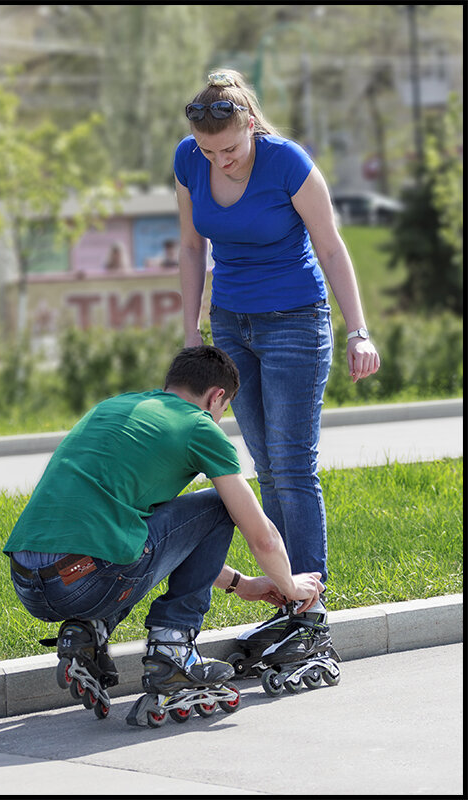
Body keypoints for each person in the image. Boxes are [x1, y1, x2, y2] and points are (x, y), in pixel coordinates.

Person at [3, 345, 324, 723]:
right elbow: (262, 536)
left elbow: (156, 543)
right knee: (222, 505)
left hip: (30, 582)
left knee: (125, 543)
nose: (220, 418)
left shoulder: (114, 408)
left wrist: (241, 584)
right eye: (225, 409)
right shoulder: (199, 426)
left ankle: (88, 630)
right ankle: (173, 649)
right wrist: (290, 585)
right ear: (216, 396)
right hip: (87, 582)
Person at [174, 70, 380, 656]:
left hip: (295, 321)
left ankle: (309, 618)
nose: (221, 160)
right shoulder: (190, 160)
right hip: (232, 324)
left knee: (292, 466)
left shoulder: (287, 162)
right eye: (210, 151)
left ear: (251, 126)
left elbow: (331, 245)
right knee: (265, 464)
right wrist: (192, 329)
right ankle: (292, 599)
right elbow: (192, 247)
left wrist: (359, 331)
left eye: (231, 149)